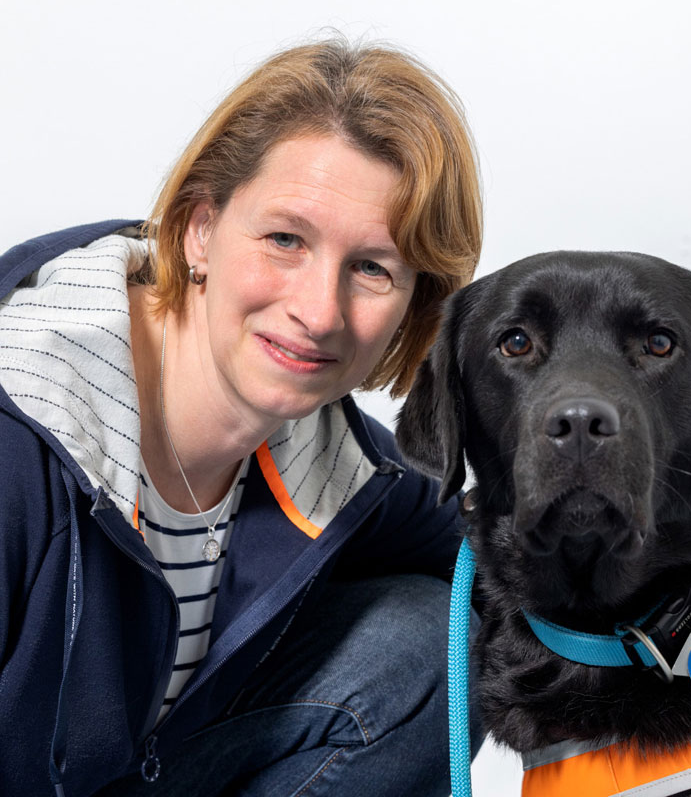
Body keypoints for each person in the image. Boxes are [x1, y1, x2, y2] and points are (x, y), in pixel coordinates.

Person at [0, 38, 483, 796]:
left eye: (371, 268)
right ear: (200, 229)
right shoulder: (19, 442)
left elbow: (498, 556)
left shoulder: (331, 459)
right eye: (285, 239)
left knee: (428, 649)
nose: (319, 312)